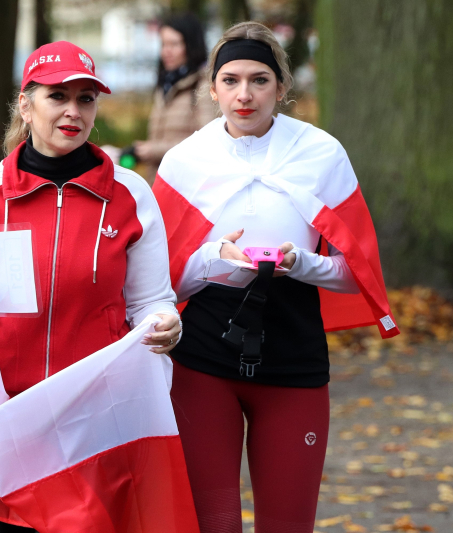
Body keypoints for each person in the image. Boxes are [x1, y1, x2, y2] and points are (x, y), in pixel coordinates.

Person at [0, 41, 182, 533]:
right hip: (0, 427)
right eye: (57, 96)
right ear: (26, 104)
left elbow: (153, 304)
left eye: (86, 99)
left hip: (92, 427)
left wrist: (167, 326)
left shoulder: (130, 194)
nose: (72, 111)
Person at [152, 22, 399, 533]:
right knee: (211, 524)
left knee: (288, 524)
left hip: (293, 348)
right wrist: (215, 259)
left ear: (282, 88)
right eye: (231, 80)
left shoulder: (322, 154)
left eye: (260, 80)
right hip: (202, 355)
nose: (245, 95)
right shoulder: (184, 162)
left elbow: (357, 275)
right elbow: (159, 286)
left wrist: (299, 263)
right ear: (213, 87)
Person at [124, 13, 216, 182]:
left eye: (174, 44)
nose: (166, 51)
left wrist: (154, 150)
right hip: (159, 183)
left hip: (186, 185)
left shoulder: (203, 87)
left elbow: (208, 142)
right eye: (164, 44)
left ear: (191, 45)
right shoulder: (165, 85)